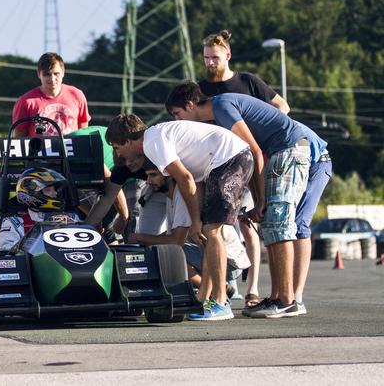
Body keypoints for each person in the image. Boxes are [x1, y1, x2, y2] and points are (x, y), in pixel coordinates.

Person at [165, 82, 331, 318]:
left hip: (290, 148)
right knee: (271, 225)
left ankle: (287, 299)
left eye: (177, 114)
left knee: (280, 224)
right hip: (279, 152)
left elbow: (253, 150)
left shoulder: (221, 105)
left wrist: (261, 198)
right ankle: (277, 297)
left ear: (191, 104)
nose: (177, 121)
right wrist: (258, 199)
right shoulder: (217, 117)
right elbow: (250, 159)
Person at [106, 114, 253, 321]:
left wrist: (194, 221)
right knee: (206, 232)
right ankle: (203, 298)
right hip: (222, 161)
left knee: (211, 231)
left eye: (116, 147)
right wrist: (197, 221)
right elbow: (196, 180)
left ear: (128, 141)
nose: (117, 153)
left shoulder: (152, 142)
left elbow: (184, 178)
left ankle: (220, 302)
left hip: (230, 158)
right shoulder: (156, 139)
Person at [199, 29, 290, 307]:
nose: (210, 63)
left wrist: (260, 132)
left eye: (215, 57)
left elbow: (282, 106)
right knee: (215, 223)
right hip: (216, 163)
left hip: (250, 159)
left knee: (247, 222)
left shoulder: (247, 81)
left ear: (227, 55)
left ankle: (252, 288)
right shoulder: (201, 89)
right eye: (206, 58)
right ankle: (221, 283)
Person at [0, 167, 81, 250]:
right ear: (32, 193)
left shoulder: (71, 218)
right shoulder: (15, 223)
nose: (55, 193)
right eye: (48, 190)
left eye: (55, 189)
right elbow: (7, 252)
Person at [12, 52, 90, 137]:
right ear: (39, 74)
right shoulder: (26, 101)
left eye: (56, 73)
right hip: (40, 150)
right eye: (47, 74)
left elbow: (83, 134)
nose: (52, 79)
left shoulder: (77, 95)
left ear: (63, 72)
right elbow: (19, 141)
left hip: (72, 150)